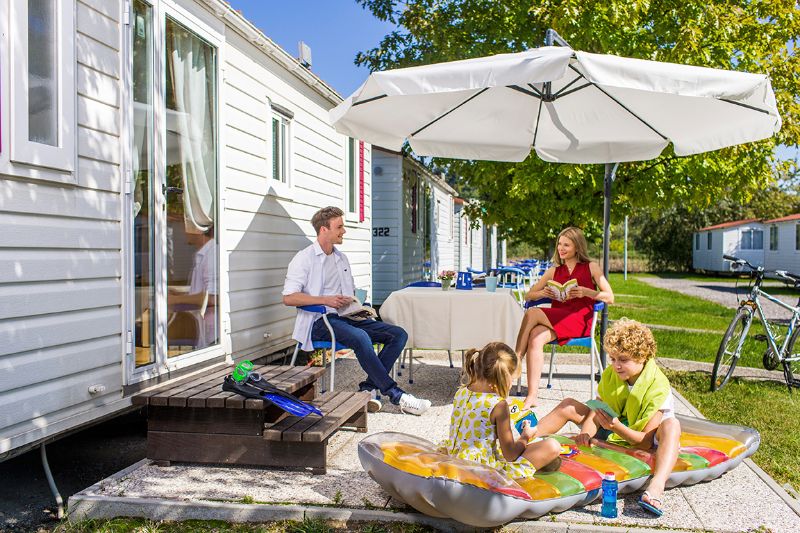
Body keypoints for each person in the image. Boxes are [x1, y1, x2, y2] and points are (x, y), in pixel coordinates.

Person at [282, 206, 431, 416]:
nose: (344, 231)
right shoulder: (304, 258)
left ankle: (368, 389)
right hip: (320, 321)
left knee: (398, 334)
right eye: (339, 227)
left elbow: (347, 293)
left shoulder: (341, 258)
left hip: (347, 317)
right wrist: (327, 300)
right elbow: (289, 297)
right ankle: (397, 396)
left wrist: (358, 305)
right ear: (323, 229)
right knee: (361, 338)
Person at [534, 320, 680, 517]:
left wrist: (616, 426)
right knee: (568, 405)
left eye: (623, 360)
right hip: (612, 426)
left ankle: (656, 487)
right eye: (612, 359)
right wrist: (586, 433)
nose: (616, 366)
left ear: (642, 357)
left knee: (672, 425)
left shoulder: (658, 386)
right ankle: (524, 442)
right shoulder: (612, 375)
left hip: (639, 435)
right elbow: (596, 410)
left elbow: (645, 443)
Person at [515, 227, 614, 409]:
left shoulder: (591, 267)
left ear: (577, 246)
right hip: (558, 321)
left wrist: (587, 292)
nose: (561, 248)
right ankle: (532, 396)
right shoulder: (554, 271)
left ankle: (516, 359)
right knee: (536, 337)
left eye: (566, 245)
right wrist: (542, 293)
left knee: (532, 313)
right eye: (559, 244)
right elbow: (530, 295)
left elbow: (610, 297)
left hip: (579, 321)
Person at [440, 342, 562, 477]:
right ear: (504, 379)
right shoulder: (499, 406)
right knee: (552, 446)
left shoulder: (462, 391)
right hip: (481, 472)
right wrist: (525, 436)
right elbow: (510, 454)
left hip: (456, 458)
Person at [168, 224, 217, 349]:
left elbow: (214, 297)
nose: (184, 231)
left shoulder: (212, 254)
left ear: (198, 229)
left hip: (214, 338)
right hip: (206, 334)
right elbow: (204, 292)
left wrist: (174, 300)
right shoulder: (205, 253)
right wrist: (181, 296)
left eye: (187, 226)